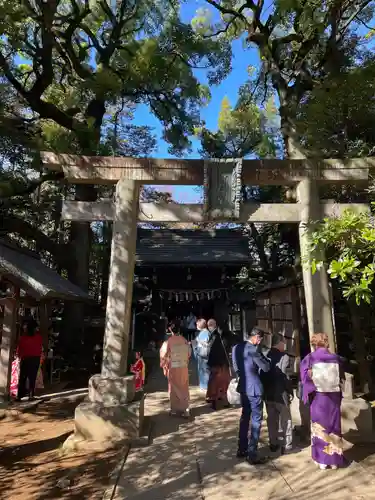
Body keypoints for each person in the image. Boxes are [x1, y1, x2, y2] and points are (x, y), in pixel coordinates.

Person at [300, 332, 346, 470]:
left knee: (320, 427)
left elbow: (304, 377)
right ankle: (334, 460)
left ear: (314, 343)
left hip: (319, 397)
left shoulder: (310, 358)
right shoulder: (335, 358)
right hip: (333, 397)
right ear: (326, 342)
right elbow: (341, 375)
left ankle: (321, 460)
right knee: (334, 427)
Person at [232, 327, 271, 465]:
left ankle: (242, 448)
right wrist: (267, 360)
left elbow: (236, 367)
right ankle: (252, 453)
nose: (259, 342)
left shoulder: (236, 348)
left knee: (244, 418)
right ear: (256, 337)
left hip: (243, 387)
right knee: (256, 420)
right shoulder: (254, 350)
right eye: (260, 340)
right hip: (254, 388)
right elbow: (266, 367)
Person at [262, 333, 294, 454]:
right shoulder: (284, 357)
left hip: (268, 393)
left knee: (271, 420)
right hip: (281, 393)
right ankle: (287, 445)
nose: (285, 345)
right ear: (279, 343)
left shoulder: (265, 355)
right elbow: (286, 376)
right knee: (286, 420)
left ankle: (273, 443)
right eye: (284, 343)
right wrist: (290, 391)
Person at [160, 321, 191, 417]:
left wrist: (164, 364)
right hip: (183, 367)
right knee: (184, 387)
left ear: (170, 330)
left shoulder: (168, 342)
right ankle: (185, 409)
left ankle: (174, 409)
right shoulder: (185, 340)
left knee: (173, 388)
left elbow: (163, 355)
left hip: (173, 367)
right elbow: (189, 354)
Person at [16, 318, 43, 401]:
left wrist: (19, 356)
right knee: (32, 377)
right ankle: (31, 395)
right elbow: (40, 347)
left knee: (22, 377)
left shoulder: (23, 337)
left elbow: (20, 348)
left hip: (25, 358)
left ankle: (19, 396)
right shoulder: (39, 337)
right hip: (35, 358)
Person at [206, 325, 231, 410]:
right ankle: (225, 401)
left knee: (214, 384)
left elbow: (210, 352)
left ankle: (214, 402)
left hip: (215, 364)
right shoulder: (227, 339)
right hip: (224, 364)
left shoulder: (213, 339)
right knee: (224, 384)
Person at [192, 318, 211, 392]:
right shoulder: (204, 332)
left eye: (197, 324)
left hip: (203, 355)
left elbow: (205, 344)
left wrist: (196, 344)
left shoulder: (205, 333)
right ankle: (204, 386)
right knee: (203, 371)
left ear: (200, 324)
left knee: (205, 371)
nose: (196, 325)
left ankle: (205, 387)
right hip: (202, 355)